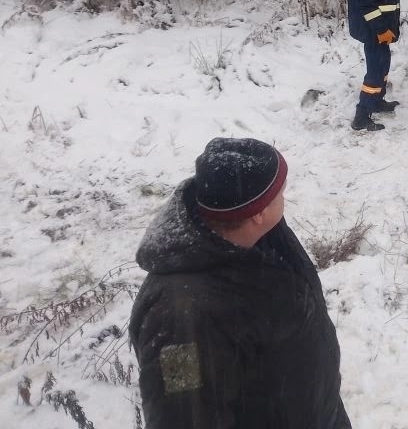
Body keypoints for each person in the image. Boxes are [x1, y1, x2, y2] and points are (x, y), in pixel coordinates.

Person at [129, 137, 353, 429]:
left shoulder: (259, 234)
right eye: (281, 193)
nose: (284, 198)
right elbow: (184, 416)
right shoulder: (180, 319)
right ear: (258, 213)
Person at [346, 0, 400, 131]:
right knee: (375, 70)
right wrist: (381, 29)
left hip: (380, 27)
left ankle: (377, 101)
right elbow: (367, 3)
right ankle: (362, 116)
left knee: (383, 64)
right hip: (374, 29)